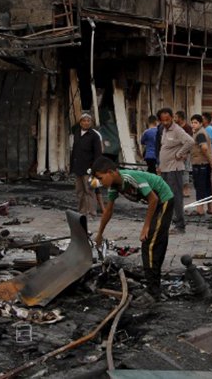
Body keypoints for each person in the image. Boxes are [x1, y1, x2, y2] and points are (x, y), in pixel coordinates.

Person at [92, 157, 173, 299]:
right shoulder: (114, 187)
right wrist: (100, 233)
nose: (100, 182)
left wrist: (146, 226)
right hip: (156, 203)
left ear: (110, 172)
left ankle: (153, 292)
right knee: (155, 244)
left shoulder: (130, 178)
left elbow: (153, 199)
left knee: (149, 244)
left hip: (163, 199)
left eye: (100, 177)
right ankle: (154, 287)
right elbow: (108, 211)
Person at [157, 108, 194, 234]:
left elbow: (190, 141)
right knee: (166, 196)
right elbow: (164, 147)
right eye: (163, 120)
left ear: (172, 117)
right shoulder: (164, 130)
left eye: (167, 120)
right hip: (165, 169)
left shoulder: (177, 130)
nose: (166, 122)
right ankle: (170, 222)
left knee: (176, 197)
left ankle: (180, 225)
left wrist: (180, 153)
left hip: (174, 168)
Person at [70, 113, 103, 217]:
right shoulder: (77, 133)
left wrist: (95, 168)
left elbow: (98, 154)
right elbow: (74, 150)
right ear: (80, 122)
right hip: (78, 167)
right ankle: (82, 212)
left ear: (91, 122)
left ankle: (92, 213)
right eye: (84, 121)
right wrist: (72, 165)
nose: (86, 123)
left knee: (89, 191)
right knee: (79, 191)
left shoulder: (94, 135)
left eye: (88, 121)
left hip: (89, 168)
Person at [189, 115, 212, 215]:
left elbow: (204, 148)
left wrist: (210, 160)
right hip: (205, 164)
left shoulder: (200, 134)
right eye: (192, 122)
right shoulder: (202, 132)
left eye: (195, 122)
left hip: (200, 164)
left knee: (200, 187)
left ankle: (200, 210)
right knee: (207, 186)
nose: (193, 125)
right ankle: (210, 208)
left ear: (200, 124)